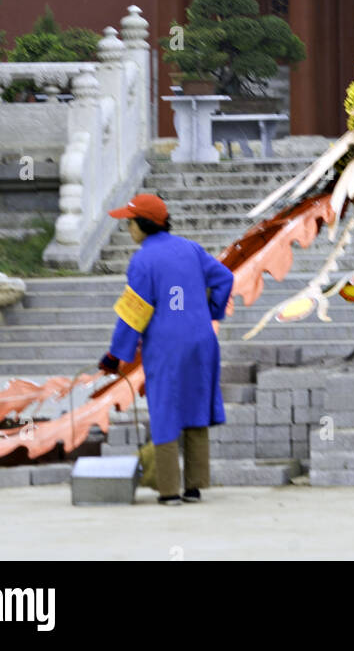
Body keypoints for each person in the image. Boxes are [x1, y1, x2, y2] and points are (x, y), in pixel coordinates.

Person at [98, 192, 234, 505]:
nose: (128, 228)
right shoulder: (191, 248)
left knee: (165, 409)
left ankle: (169, 490)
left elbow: (134, 312)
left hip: (167, 346)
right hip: (202, 342)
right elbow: (225, 277)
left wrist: (116, 355)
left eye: (129, 222)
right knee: (195, 407)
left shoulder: (143, 259)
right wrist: (212, 312)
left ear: (142, 225)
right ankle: (194, 487)